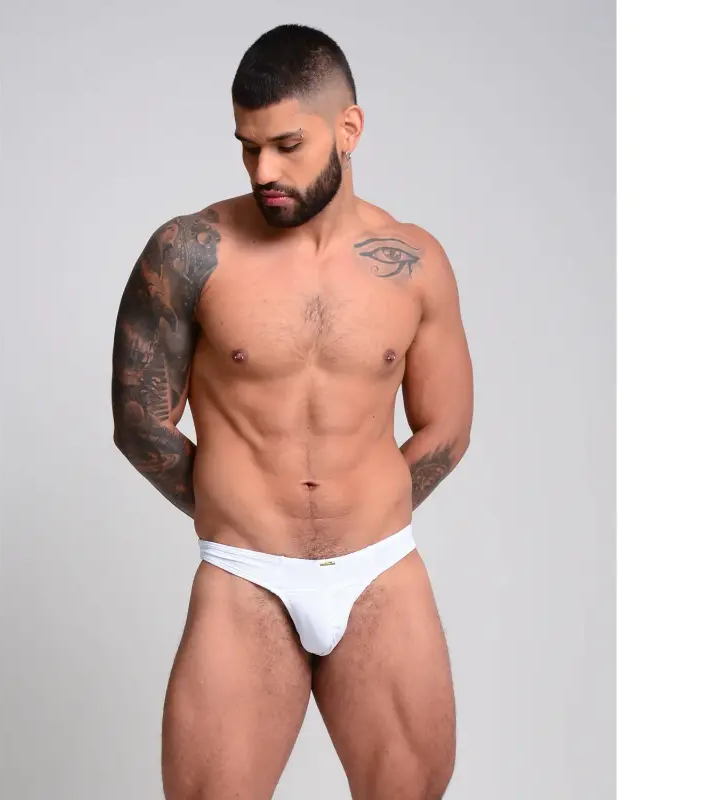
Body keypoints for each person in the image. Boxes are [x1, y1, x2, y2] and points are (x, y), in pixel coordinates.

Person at [111, 23, 474, 800]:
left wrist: (362, 509)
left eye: (286, 145)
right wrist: (243, 509)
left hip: (378, 571)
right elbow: (139, 421)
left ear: (349, 129)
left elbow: (446, 427)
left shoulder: (414, 261)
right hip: (247, 572)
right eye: (248, 148)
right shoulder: (189, 252)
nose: (263, 171)